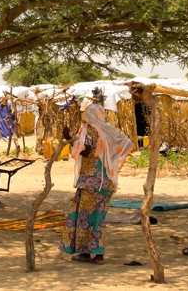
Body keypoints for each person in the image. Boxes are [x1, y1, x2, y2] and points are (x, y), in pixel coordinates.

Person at [60, 103, 135, 264]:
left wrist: (68, 138)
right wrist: (111, 159)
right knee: (99, 218)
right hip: (106, 182)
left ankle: (85, 253)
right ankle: (97, 254)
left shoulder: (88, 129)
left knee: (85, 218)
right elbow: (127, 143)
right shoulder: (108, 131)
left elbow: (86, 152)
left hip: (90, 182)